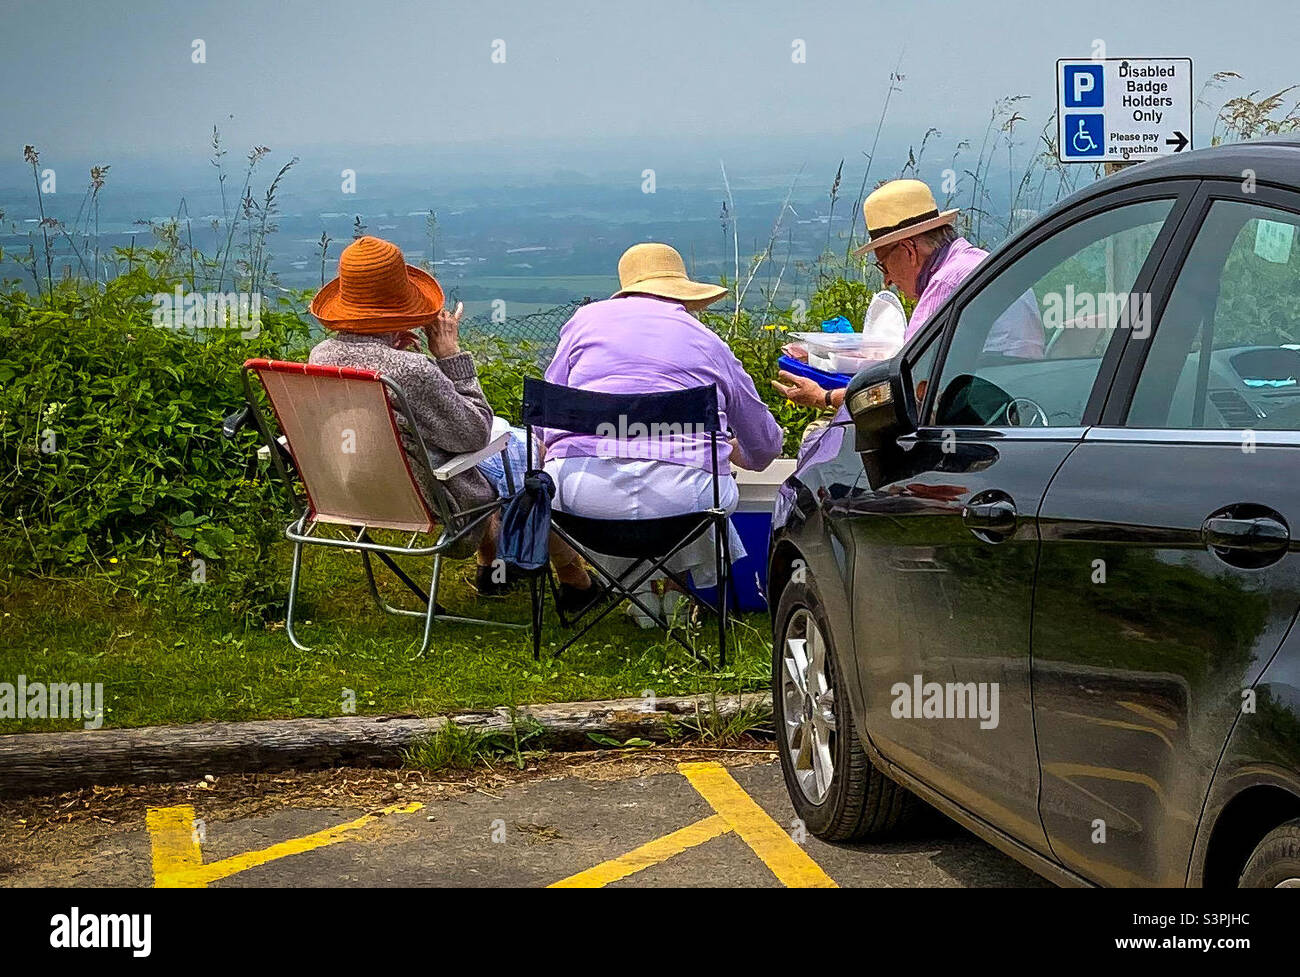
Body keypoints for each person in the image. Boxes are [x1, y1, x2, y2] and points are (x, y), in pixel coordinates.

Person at [307, 236, 598, 606]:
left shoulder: (321, 355)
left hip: (349, 487)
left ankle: (492, 566)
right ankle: (573, 579)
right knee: (527, 452)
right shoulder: (410, 370)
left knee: (504, 438)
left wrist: (393, 343)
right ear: (404, 305)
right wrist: (450, 356)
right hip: (431, 493)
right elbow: (474, 433)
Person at [542, 243, 784, 625]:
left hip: (582, 500)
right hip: (684, 503)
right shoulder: (707, 342)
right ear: (681, 295)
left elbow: (547, 413)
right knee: (708, 487)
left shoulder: (583, 323)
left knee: (623, 485)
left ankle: (637, 594)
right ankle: (676, 594)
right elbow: (765, 444)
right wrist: (737, 453)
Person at [773, 178, 1044, 410]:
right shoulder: (978, 263)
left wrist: (825, 397)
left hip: (984, 409)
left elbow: (902, 385)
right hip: (1019, 397)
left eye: (884, 264)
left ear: (908, 251)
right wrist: (819, 357)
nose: (887, 280)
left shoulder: (946, 284)